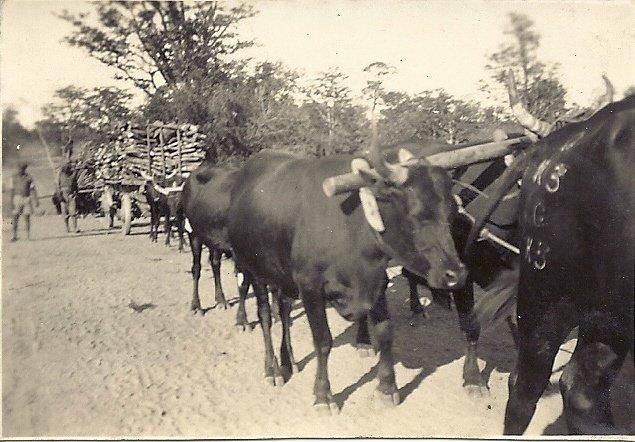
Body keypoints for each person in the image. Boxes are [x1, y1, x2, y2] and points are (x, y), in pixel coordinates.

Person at [9, 161, 40, 241]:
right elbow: (11, 190)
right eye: (20, 168)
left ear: (25, 169)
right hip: (17, 198)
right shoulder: (13, 177)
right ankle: (14, 235)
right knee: (15, 218)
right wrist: (11, 201)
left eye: (22, 168)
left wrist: (36, 199)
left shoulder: (29, 178)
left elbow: (33, 189)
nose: (20, 170)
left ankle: (28, 235)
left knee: (27, 217)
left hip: (27, 198)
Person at [56, 161, 79, 233]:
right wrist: (59, 195)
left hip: (71, 194)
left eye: (68, 167)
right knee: (65, 212)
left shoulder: (73, 175)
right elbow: (57, 185)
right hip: (63, 194)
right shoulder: (60, 175)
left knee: (73, 212)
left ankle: (75, 227)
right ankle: (67, 228)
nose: (67, 168)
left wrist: (75, 193)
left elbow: (75, 184)